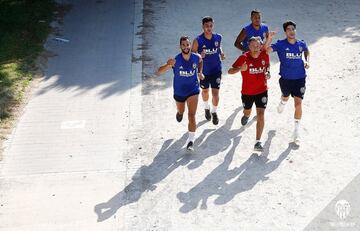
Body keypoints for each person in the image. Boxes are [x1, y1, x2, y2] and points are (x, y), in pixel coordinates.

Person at [264, 21, 310, 143]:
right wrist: (269, 38)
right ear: (285, 32)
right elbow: (266, 50)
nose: (291, 31)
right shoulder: (280, 44)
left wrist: (307, 61)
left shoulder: (301, 43)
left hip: (300, 78)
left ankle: (296, 132)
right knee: (285, 97)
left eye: (293, 29)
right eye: (289, 29)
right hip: (286, 79)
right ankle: (282, 103)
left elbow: (306, 50)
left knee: (298, 103)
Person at [157, 36, 204, 151]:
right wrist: (168, 65)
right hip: (179, 91)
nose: (186, 47)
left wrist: (200, 73)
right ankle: (179, 112)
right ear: (180, 46)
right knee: (181, 111)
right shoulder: (175, 60)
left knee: (191, 115)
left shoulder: (196, 57)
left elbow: (201, 61)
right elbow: (159, 71)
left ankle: (191, 141)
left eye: (187, 44)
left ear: (190, 45)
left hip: (193, 90)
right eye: (183, 45)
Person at [228, 36, 270, 151]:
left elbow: (267, 66)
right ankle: (246, 115)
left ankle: (257, 142)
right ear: (248, 47)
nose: (255, 48)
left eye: (257, 46)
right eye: (252, 46)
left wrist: (268, 73)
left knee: (261, 115)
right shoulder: (244, 57)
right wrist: (240, 69)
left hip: (262, 90)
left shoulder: (264, 55)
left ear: (261, 46)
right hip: (247, 92)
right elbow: (229, 71)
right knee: (247, 111)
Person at [191, 16, 225, 125]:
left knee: (215, 94)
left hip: (216, 70)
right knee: (205, 91)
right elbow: (191, 56)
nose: (209, 28)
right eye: (207, 26)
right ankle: (206, 108)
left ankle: (214, 112)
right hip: (203, 72)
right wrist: (199, 55)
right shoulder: (198, 40)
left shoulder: (218, 37)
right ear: (203, 27)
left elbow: (219, 47)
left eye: (211, 26)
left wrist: (221, 53)